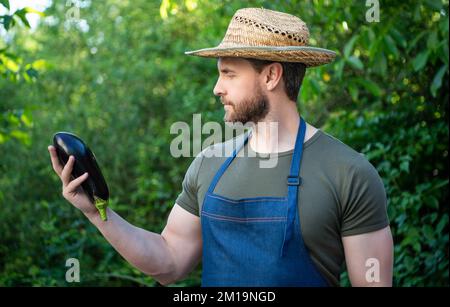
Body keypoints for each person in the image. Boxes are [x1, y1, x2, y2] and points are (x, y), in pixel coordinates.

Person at [48, 7, 393, 287]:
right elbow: (169, 262)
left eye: (228, 74)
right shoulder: (209, 163)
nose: (217, 88)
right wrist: (96, 213)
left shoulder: (349, 172)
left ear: (271, 76)